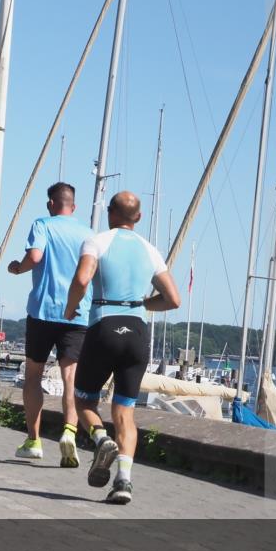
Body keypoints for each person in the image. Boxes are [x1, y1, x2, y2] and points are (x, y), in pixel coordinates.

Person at [64, 191, 180, 505]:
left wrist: (70, 308)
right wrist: (143, 303)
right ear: (138, 217)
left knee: (83, 400)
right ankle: (124, 483)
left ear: (110, 213)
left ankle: (101, 439)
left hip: (104, 327)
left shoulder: (97, 241)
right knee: (125, 413)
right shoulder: (151, 250)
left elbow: (83, 277)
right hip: (137, 334)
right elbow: (173, 299)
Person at [6, 182, 92, 467]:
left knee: (33, 376)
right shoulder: (88, 234)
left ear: (50, 204)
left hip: (43, 311)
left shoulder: (42, 224)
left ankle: (33, 441)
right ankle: (69, 432)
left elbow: (35, 256)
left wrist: (18, 267)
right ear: (74, 207)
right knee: (71, 378)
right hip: (77, 314)